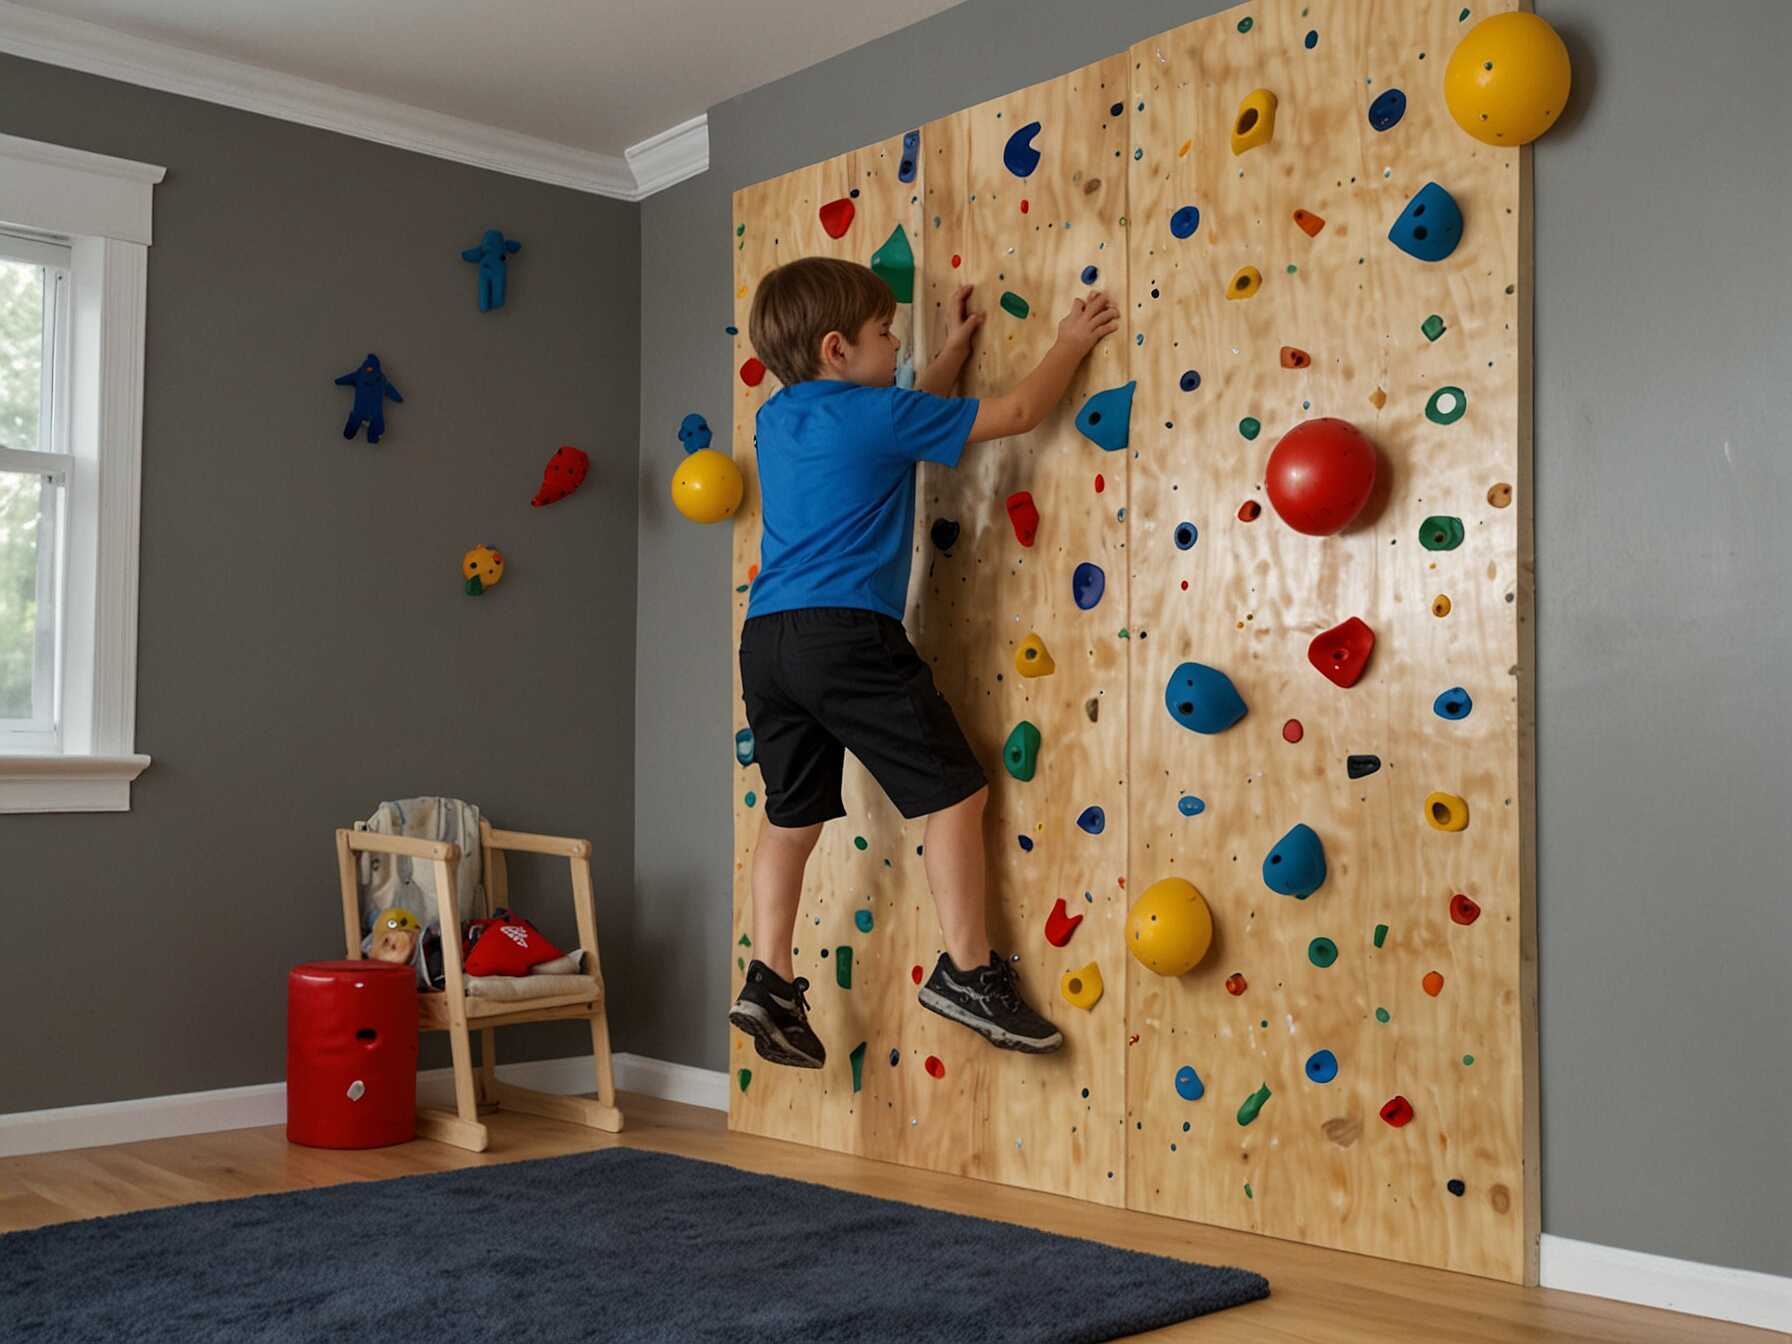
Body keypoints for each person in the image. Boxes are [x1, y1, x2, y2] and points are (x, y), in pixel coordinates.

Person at [727, 255, 1120, 1068]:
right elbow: (1013, 413)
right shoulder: (869, 417)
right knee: (957, 796)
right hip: (846, 635)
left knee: (791, 819)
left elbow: (903, 412)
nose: (896, 343)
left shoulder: (780, 419)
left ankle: (767, 973)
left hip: (767, 640)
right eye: (883, 335)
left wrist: (949, 352)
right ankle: (968, 972)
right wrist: (1070, 342)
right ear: (838, 350)